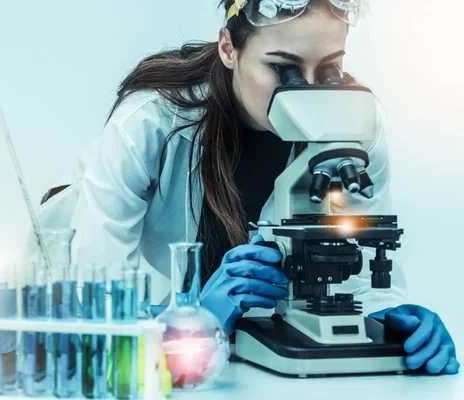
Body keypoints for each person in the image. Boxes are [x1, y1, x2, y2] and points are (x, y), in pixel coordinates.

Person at [36, 0, 459, 374]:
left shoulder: (357, 124)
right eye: (282, 68)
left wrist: (394, 317)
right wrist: (197, 316)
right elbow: (95, 314)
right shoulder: (150, 123)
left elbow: (363, 268)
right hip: (137, 321)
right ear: (228, 48)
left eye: (329, 68)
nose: (308, 90)